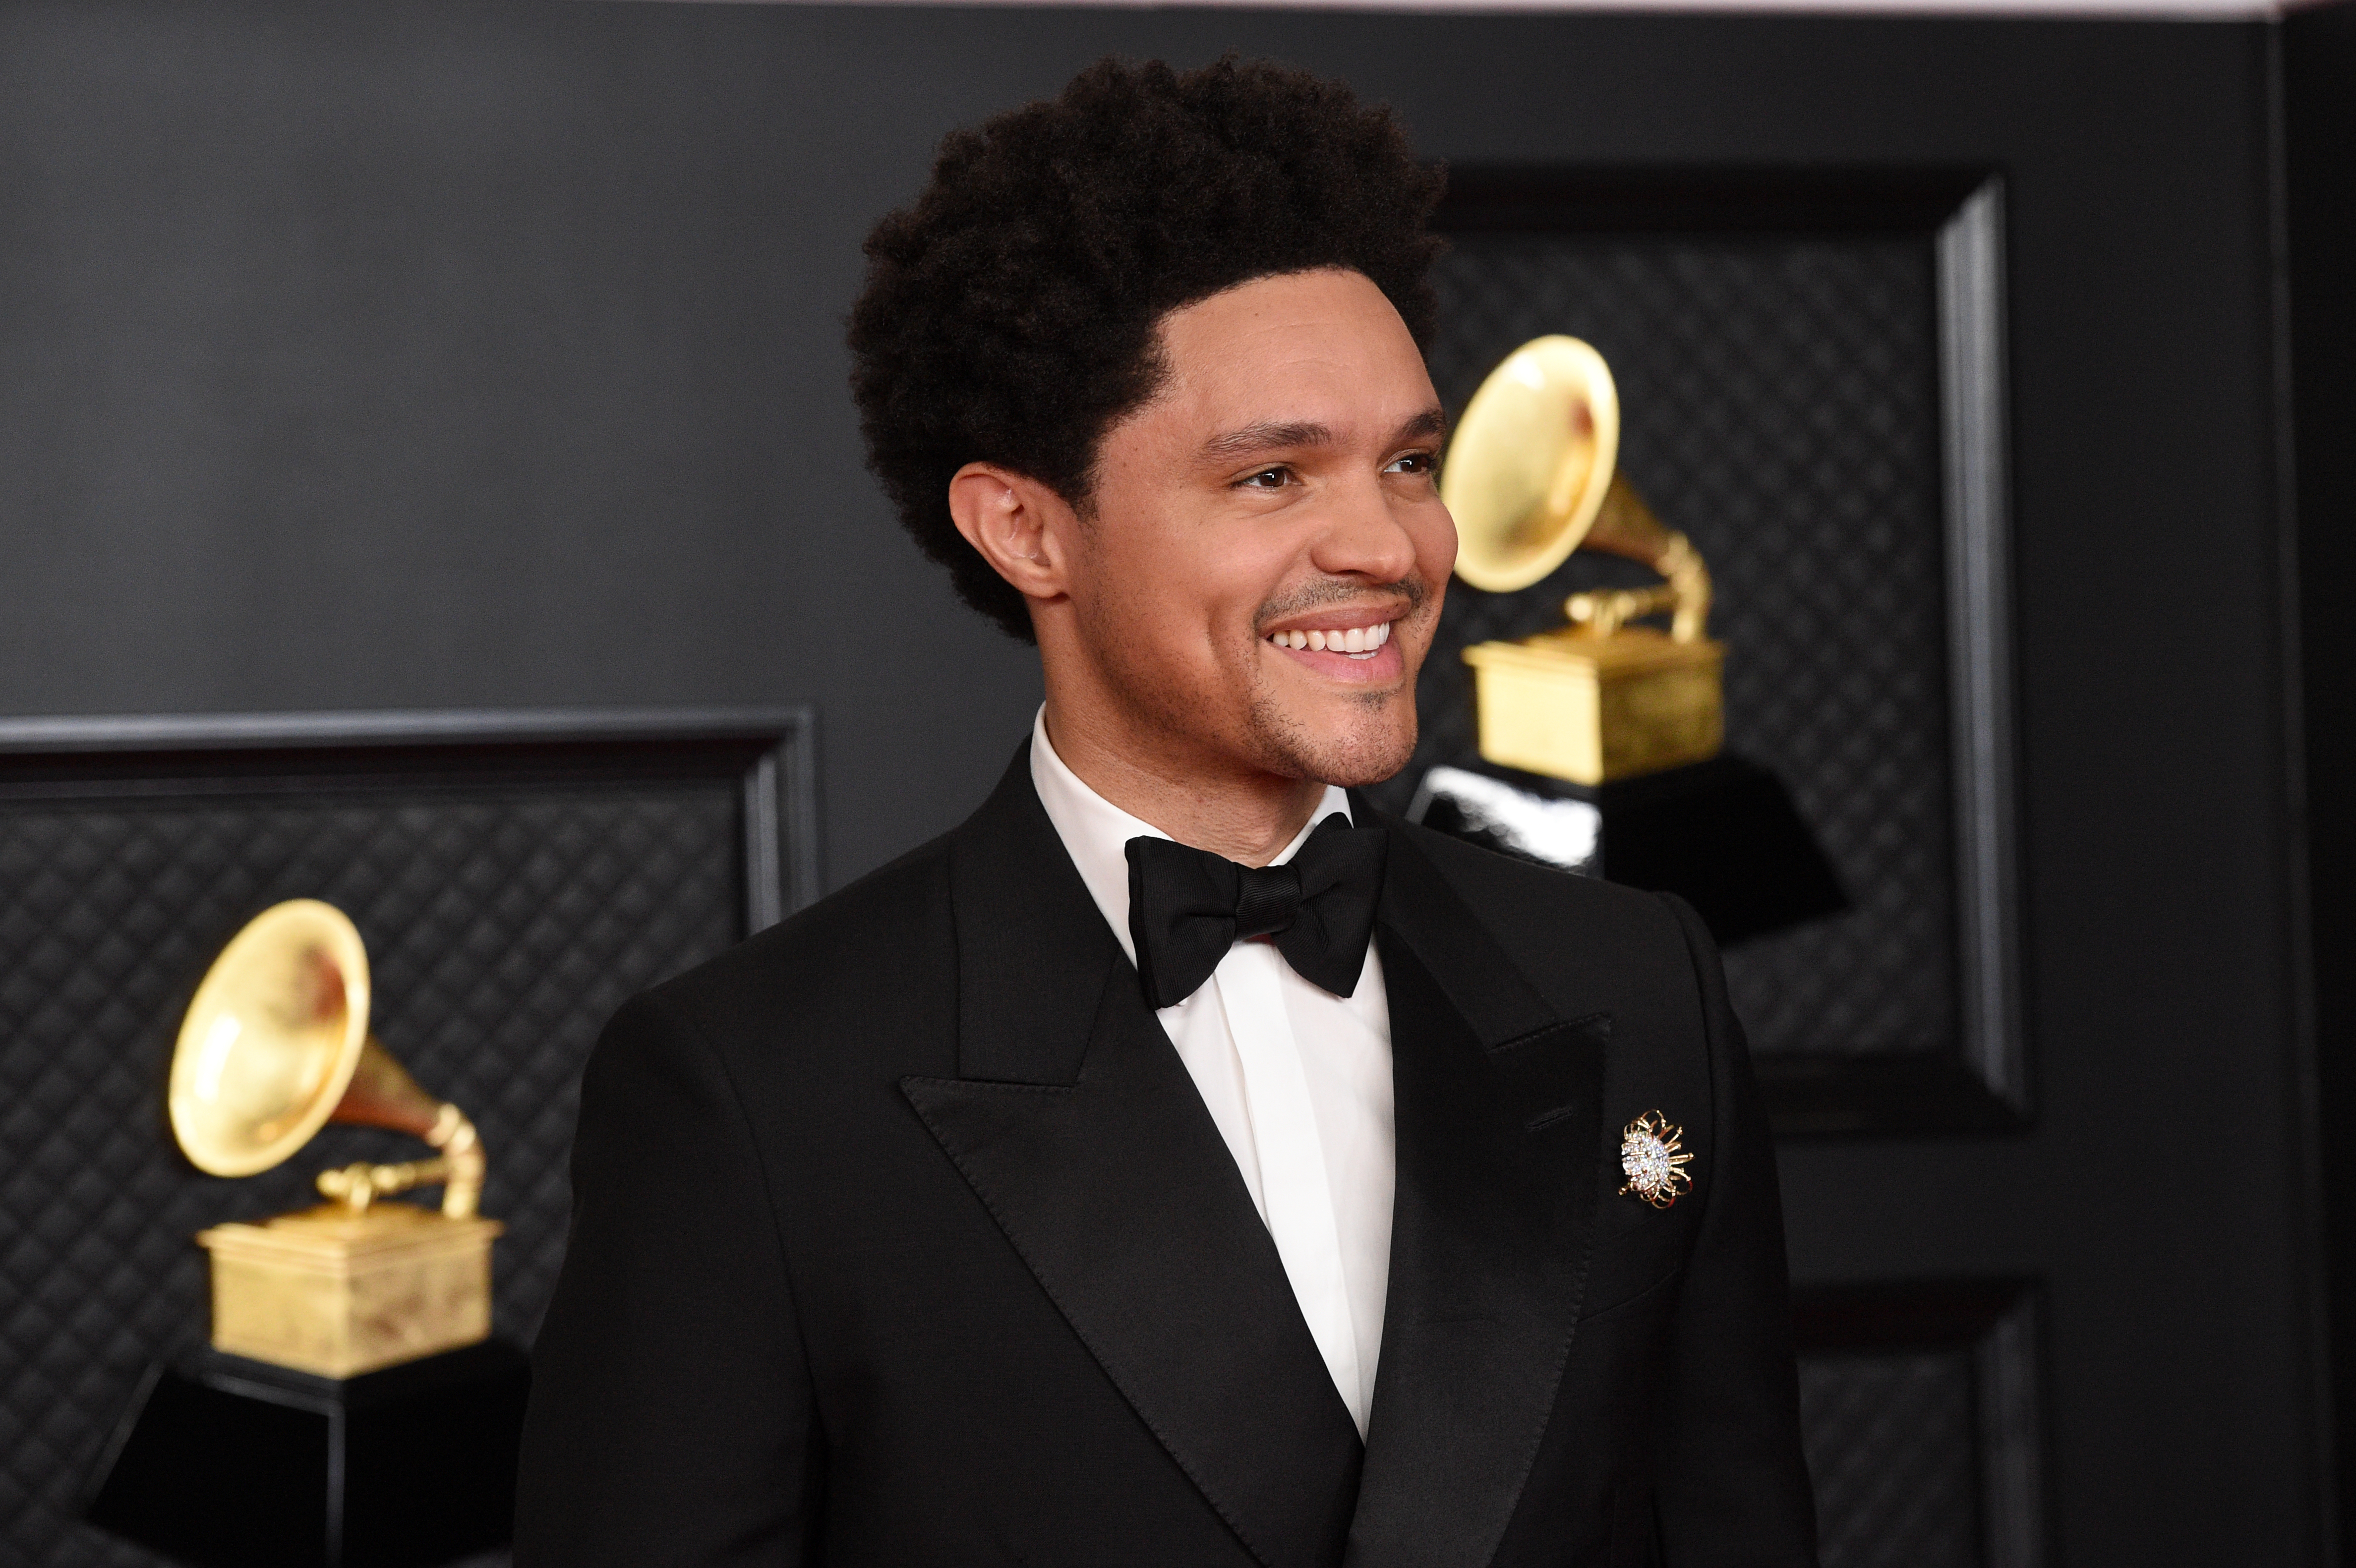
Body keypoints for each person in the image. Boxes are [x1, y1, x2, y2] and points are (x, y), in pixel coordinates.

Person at [516, 55, 1817, 1568]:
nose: (1389, 544)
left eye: (1408, 460)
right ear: (1026, 527)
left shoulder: (1636, 984)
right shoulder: (753, 1091)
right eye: (1273, 475)